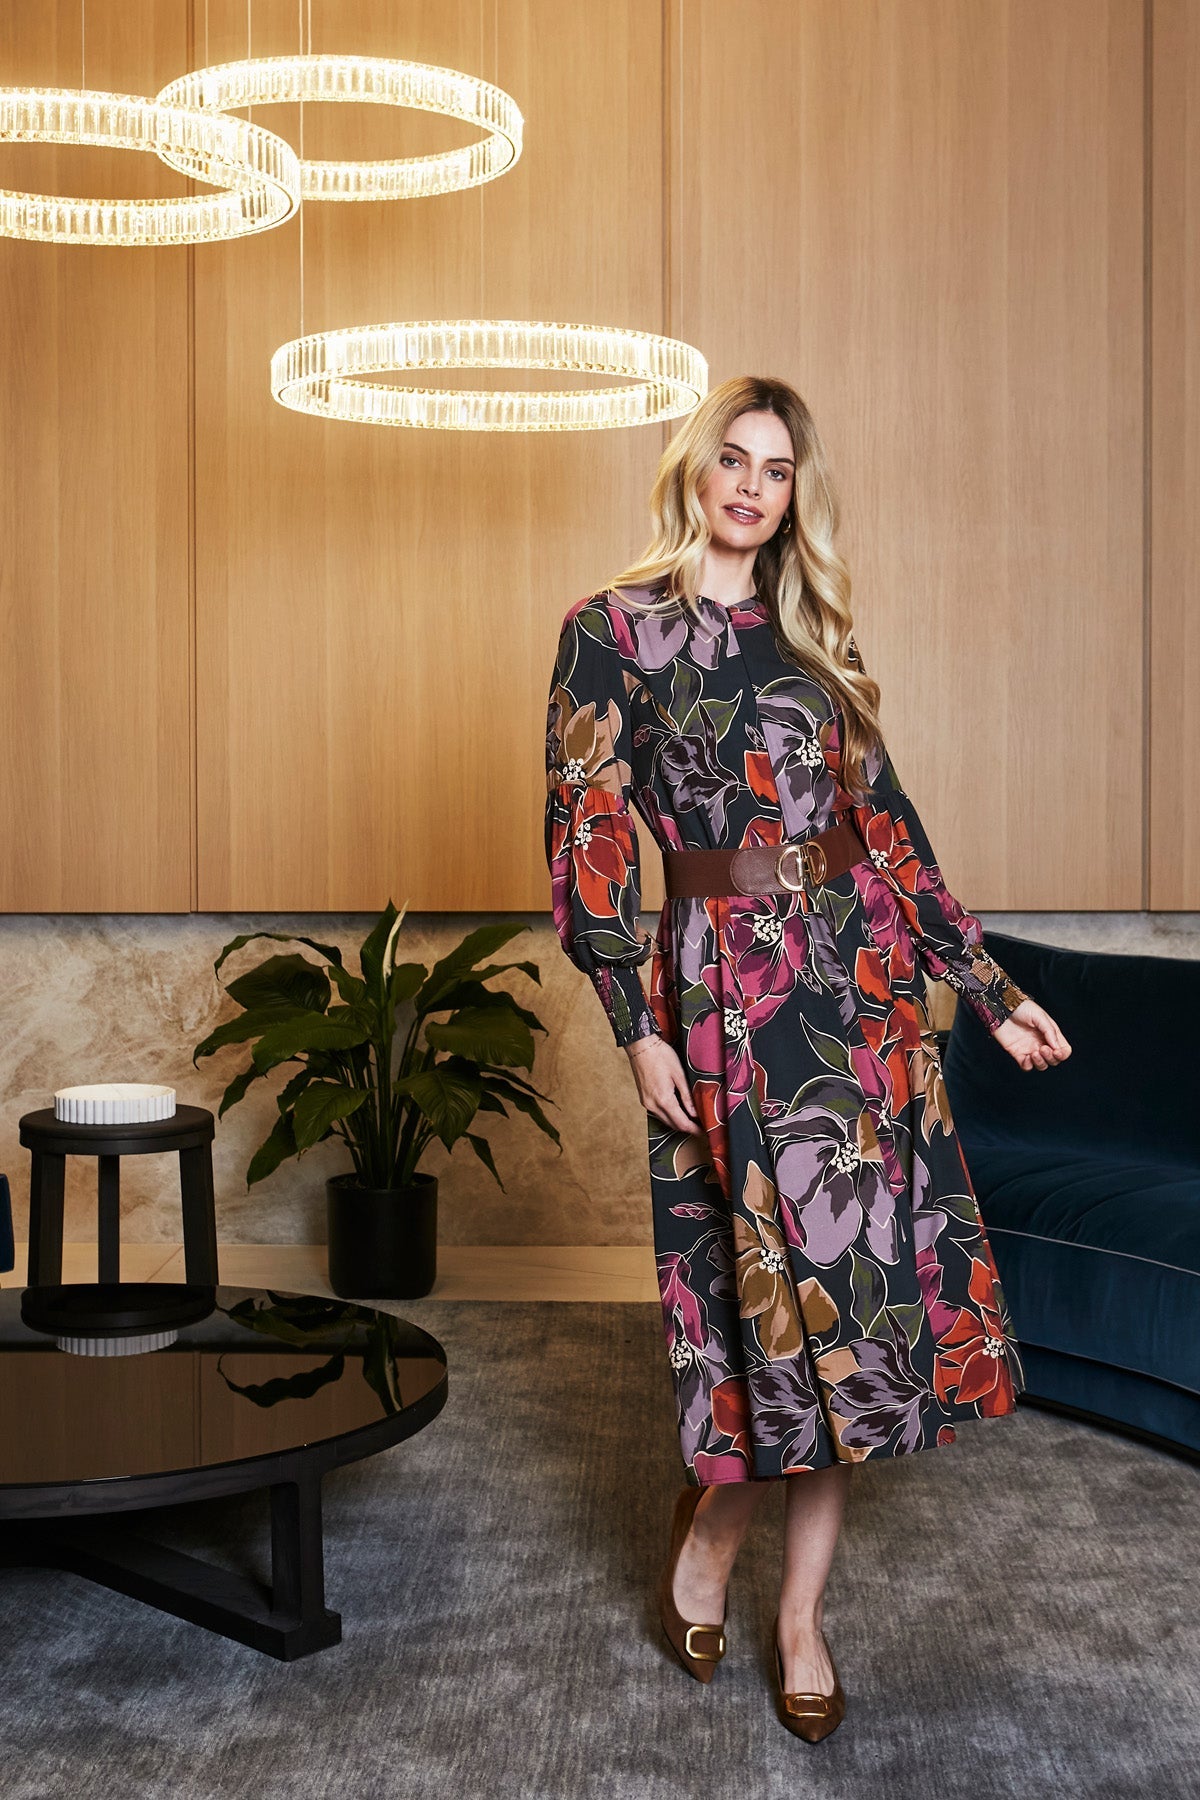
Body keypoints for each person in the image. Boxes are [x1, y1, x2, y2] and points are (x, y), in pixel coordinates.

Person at [542, 375, 1071, 1742]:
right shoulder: (611, 633)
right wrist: (636, 1024)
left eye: (776, 471)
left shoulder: (813, 643)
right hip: (718, 997)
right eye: (732, 460)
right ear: (693, 470)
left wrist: (990, 990)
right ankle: (714, 1532)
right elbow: (589, 838)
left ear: (794, 498)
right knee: (754, 1304)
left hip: (856, 995)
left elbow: (888, 833)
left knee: (863, 1309)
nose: (750, 487)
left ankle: (801, 1618)